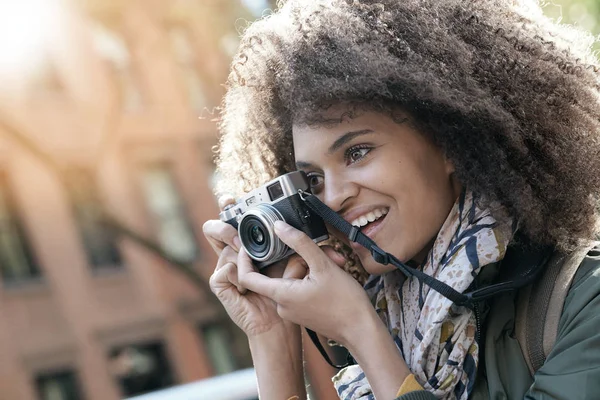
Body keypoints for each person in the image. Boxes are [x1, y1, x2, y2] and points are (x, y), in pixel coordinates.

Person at [202, 1, 600, 399]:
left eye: (357, 152)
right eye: (312, 179)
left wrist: (361, 330)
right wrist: (273, 337)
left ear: (451, 141)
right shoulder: (389, 319)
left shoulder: (586, 300)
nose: (334, 197)